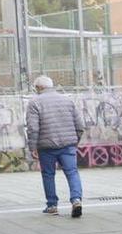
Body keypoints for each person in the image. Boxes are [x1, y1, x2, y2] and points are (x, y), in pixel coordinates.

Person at [26, 75, 84, 217]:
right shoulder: (67, 100)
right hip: (68, 144)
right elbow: (80, 125)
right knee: (72, 172)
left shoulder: (34, 103)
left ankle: (52, 205)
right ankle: (76, 199)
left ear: (39, 88)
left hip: (46, 146)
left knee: (48, 174)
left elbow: (33, 128)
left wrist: (33, 147)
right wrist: (75, 140)